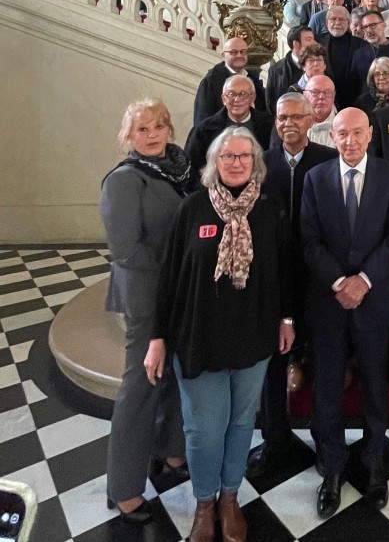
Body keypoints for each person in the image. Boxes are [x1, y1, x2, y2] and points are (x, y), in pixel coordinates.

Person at [146, 126, 294, 540]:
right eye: (227, 156)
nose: (236, 163)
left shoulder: (268, 208)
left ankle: (230, 498)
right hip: (199, 338)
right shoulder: (192, 208)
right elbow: (169, 277)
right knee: (204, 429)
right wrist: (157, 338)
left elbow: (284, 270)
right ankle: (204, 502)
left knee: (242, 422)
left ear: (255, 162)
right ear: (214, 162)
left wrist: (286, 319)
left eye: (244, 156)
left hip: (254, 335)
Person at [300, 108, 389, 518]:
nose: (350, 141)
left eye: (357, 133)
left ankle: (374, 462)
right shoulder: (316, 178)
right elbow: (309, 241)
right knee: (327, 389)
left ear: (370, 135)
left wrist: (363, 280)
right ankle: (332, 467)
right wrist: (339, 283)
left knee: (375, 387)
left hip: (374, 299)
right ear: (332, 136)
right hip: (328, 303)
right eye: (342, 133)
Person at [100, 99, 192, 525]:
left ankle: (170, 451)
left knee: (174, 376)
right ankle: (123, 488)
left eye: (159, 126)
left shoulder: (179, 169)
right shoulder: (124, 180)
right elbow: (124, 250)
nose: (153, 135)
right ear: (128, 136)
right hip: (147, 296)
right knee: (141, 385)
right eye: (142, 129)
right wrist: (175, 273)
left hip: (178, 293)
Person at [247, 93, 338, 479]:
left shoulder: (328, 160)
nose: (288, 124)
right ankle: (275, 441)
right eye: (282, 117)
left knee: (324, 359)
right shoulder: (260, 163)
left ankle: (326, 442)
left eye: (296, 117)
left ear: (310, 120)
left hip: (318, 277)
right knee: (273, 363)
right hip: (272, 278)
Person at [184, 76, 273, 179]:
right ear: (224, 99)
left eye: (243, 94)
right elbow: (191, 170)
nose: (237, 99)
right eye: (231, 94)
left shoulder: (269, 126)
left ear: (252, 98)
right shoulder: (203, 130)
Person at [193, 37, 267, 125]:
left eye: (243, 51)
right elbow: (202, 121)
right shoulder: (210, 82)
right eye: (233, 52)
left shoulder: (253, 78)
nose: (239, 55)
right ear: (223, 55)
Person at [318, 6, 368, 110]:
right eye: (333, 19)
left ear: (348, 23)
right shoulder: (317, 43)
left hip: (354, 103)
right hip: (323, 101)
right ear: (327, 22)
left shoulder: (362, 46)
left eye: (341, 19)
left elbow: (365, 80)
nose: (337, 22)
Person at [266, 26, 316, 116]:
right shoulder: (276, 70)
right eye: (309, 39)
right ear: (296, 44)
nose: (314, 43)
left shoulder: (321, 65)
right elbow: (271, 104)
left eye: (313, 39)